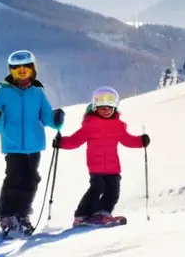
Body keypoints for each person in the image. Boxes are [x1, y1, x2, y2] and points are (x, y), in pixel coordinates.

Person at [0, 49, 65, 235]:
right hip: (12, 145)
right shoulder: (3, 92)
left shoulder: (38, 93)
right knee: (14, 178)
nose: (22, 75)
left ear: (33, 71)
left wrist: (56, 118)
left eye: (25, 71)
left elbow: (46, 118)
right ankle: (6, 214)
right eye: (17, 71)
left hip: (34, 145)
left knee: (31, 179)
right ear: (11, 72)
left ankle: (22, 213)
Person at [52, 86, 150, 227]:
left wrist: (140, 141)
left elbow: (127, 140)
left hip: (113, 167)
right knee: (97, 188)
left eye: (109, 108)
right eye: (102, 108)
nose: (106, 110)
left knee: (113, 191)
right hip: (96, 166)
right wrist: (61, 143)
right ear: (95, 107)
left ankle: (102, 214)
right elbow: (76, 140)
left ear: (115, 108)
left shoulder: (118, 126)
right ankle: (81, 215)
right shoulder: (89, 125)